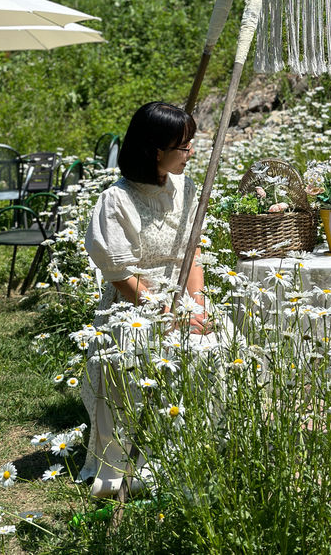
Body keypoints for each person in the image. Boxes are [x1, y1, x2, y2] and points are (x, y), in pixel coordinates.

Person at [79, 101, 208, 498]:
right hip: (134, 307)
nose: (190, 154)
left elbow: (193, 253)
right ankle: (139, 468)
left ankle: (199, 456)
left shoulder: (186, 189)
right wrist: (164, 314)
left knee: (214, 350)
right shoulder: (115, 202)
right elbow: (120, 275)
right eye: (184, 147)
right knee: (141, 360)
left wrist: (197, 305)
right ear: (156, 151)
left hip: (182, 299)